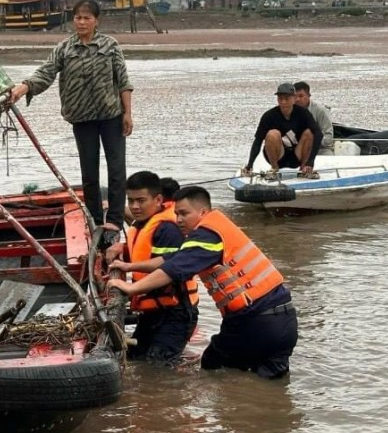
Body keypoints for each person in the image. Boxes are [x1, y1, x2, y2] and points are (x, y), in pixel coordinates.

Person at [108, 186, 298, 379]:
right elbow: (172, 259)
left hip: (255, 321)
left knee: (213, 366)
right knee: (272, 383)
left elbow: (173, 270)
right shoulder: (218, 229)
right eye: (176, 214)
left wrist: (131, 288)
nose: (179, 220)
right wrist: (129, 267)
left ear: (203, 212)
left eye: (184, 214)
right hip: (284, 321)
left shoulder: (207, 236)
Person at [9, 0, 133, 237]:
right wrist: (24, 87)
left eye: (87, 18)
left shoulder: (110, 46)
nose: (82, 22)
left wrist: (128, 113)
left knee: (116, 169)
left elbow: (123, 81)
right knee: (89, 172)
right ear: (73, 19)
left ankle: (115, 220)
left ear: (97, 21)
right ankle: (95, 219)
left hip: (111, 116)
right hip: (81, 118)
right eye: (78, 17)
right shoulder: (65, 48)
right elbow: (46, 72)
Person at [104, 172, 198, 364]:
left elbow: (168, 263)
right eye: (131, 201)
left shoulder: (167, 228)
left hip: (175, 312)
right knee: (136, 358)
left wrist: (128, 266)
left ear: (158, 199)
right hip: (153, 311)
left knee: (159, 368)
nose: (135, 206)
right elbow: (141, 251)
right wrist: (121, 247)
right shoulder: (141, 225)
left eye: (141, 200)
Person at [242, 82, 322, 177]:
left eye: (287, 99)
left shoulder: (303, 113)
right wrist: (250, 165)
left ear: (294, 99)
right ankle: (274, 170)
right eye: (280, 99)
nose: (283, 102)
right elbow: (258, 141)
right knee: (272, 134)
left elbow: (318, 134)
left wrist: (311, 161)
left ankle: (304, 169)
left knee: (310, 133)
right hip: (278, 156)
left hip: (297, 156)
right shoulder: (269, 116)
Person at [293, 80, 333, 154]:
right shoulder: (289, 110)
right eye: (295, 96)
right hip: (296, 149)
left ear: (308, 96)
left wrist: (310, 141)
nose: (297, 99)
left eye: (301, 96)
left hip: (320, 149)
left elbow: (328, 138)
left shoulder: (321, 111)